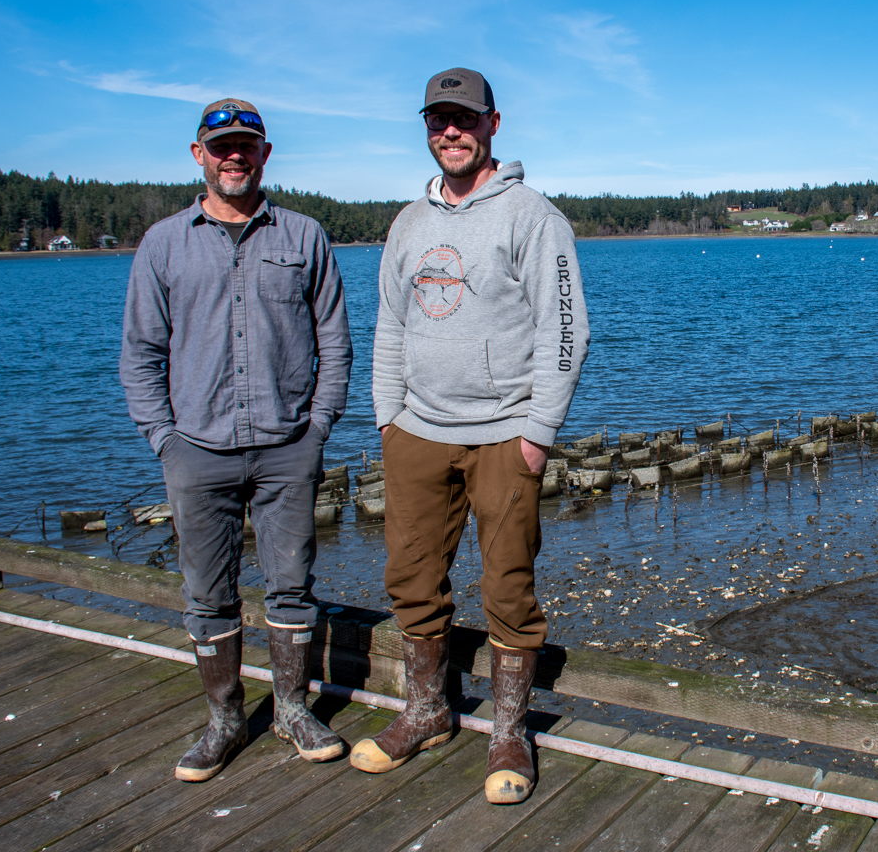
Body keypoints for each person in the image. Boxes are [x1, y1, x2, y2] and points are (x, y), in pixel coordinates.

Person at [351, 68, 589, 805]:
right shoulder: (408, 223)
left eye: (462, 119)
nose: (448, 132)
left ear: (492, 124)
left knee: (507, 586)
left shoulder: (532, 216)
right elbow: (391, 324)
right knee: (412, 582)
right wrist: (388, 416)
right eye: (436, 120)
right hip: (416, 431)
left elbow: (566, 329)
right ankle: (426, 712)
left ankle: (509, 731)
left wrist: (537, 430)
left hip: (503, 435)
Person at [119, 99, 353, 782]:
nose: (234, 157)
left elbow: (334, 342)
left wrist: (319, 426)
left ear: (265, 153)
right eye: (221, 147)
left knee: (291, 586)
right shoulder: (164, 243)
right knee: (206, 592)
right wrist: (164, 439)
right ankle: (224, 720)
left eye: (246, 145)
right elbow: (139, 354)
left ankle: (290, 709)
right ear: (199, 155)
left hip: (288, 445)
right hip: (197, 447)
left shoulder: (303, 236)